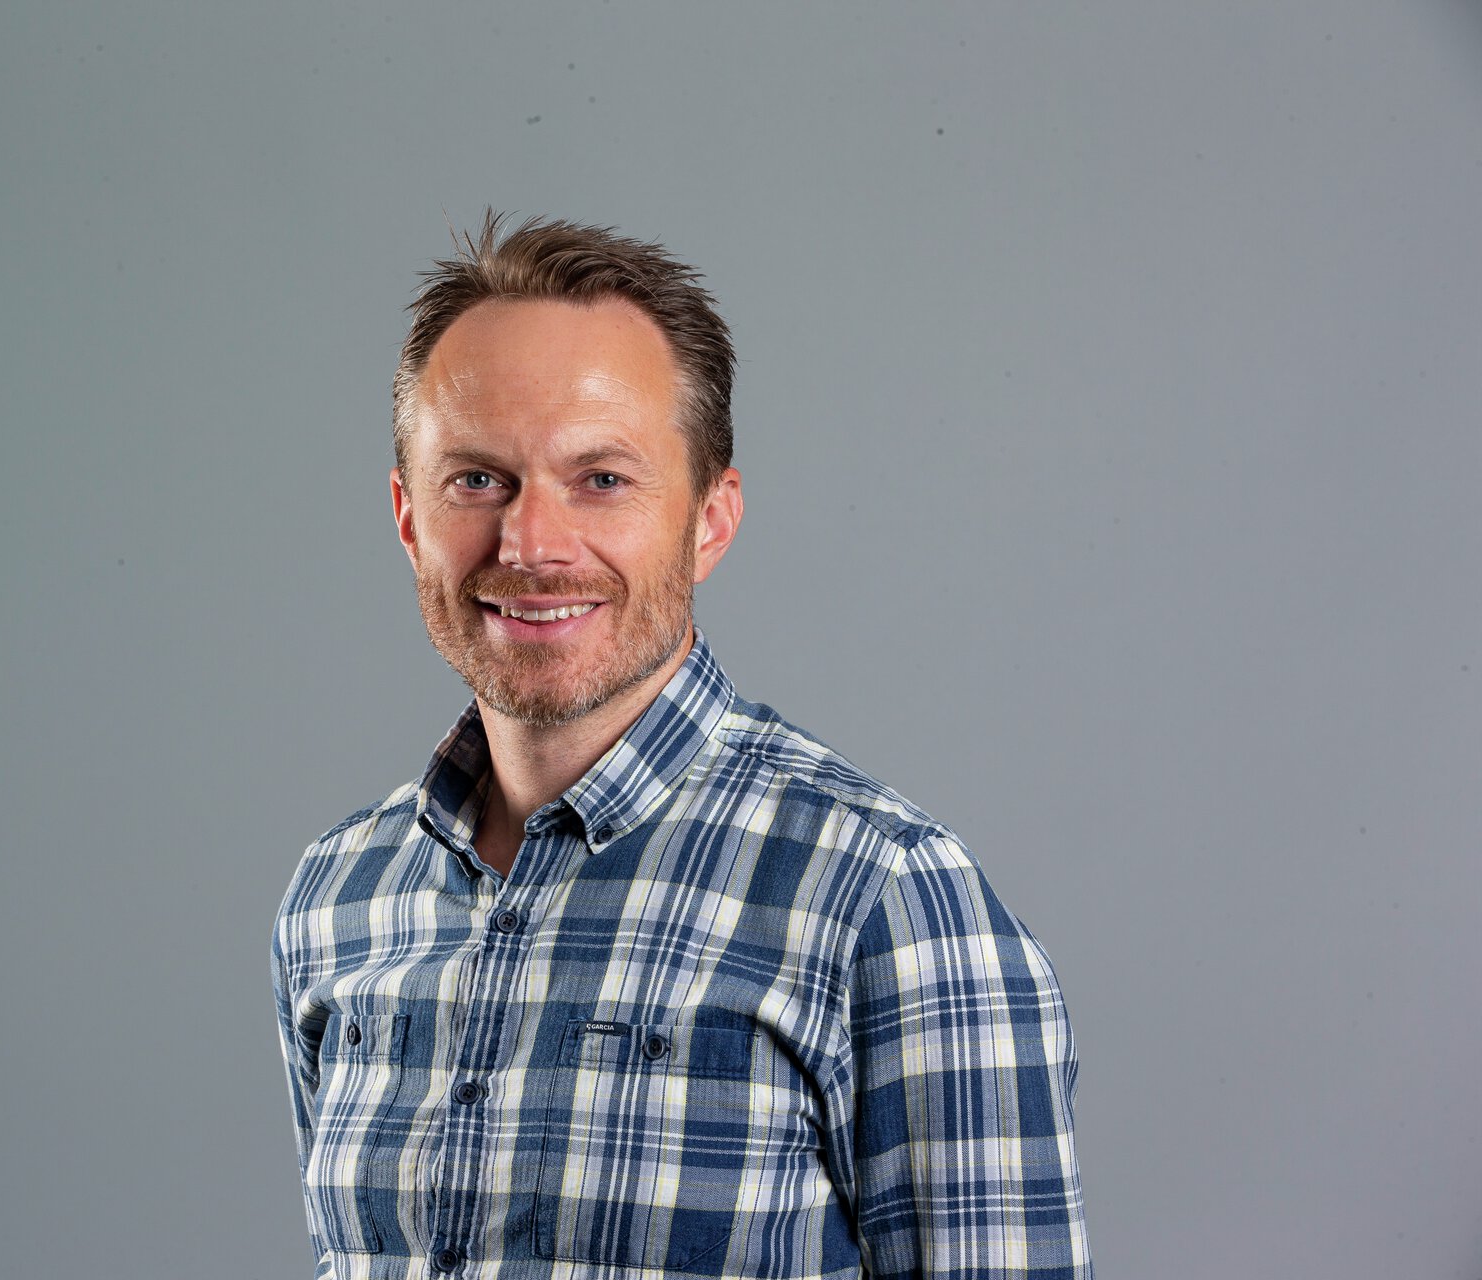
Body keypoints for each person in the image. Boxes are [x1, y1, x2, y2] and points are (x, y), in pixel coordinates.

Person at [269, 212, 1091, 1279]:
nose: (531, 544)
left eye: (602, 479)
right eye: (476, 479)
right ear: (408, 516)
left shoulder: (884, 899)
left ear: (710, 517)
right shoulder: (337, 900)